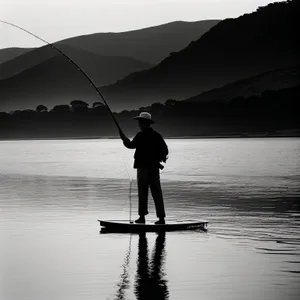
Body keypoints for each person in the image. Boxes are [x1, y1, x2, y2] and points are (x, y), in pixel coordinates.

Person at [120, 112, 168, 224]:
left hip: (143, 169)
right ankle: (161, 218)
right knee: (157, 193)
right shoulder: (157, 135)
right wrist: (159, 159)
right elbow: (165, 150)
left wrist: (124, 139)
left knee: (143, 193)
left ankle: (142, 218)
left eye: (140, 122)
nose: (138, 124)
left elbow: (131, 145)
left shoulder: (140, 135)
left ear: (145, 123)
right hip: (154, 168)